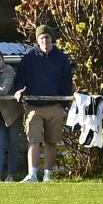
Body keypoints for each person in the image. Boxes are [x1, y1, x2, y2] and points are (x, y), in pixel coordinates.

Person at [14, 24, 73, 183]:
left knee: (51, 141)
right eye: (42, 38)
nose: (45, 40)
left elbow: (67, 82)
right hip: (34, 106)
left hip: (55, 105)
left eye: (47, 37)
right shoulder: (29, 57)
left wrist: (64, 105)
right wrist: (19, 90)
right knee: (33, 140)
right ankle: (32, 174)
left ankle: (47, 175)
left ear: (51, 39)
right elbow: (20, 79)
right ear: (37, 40)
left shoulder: (61, 57)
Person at [0, 51, 23, 182]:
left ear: (2, 59)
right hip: (0, 116)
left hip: (11, 113)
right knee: (1, 146)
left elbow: (4, 89)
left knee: (13, 144)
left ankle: (11, 175)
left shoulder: (8, 70)